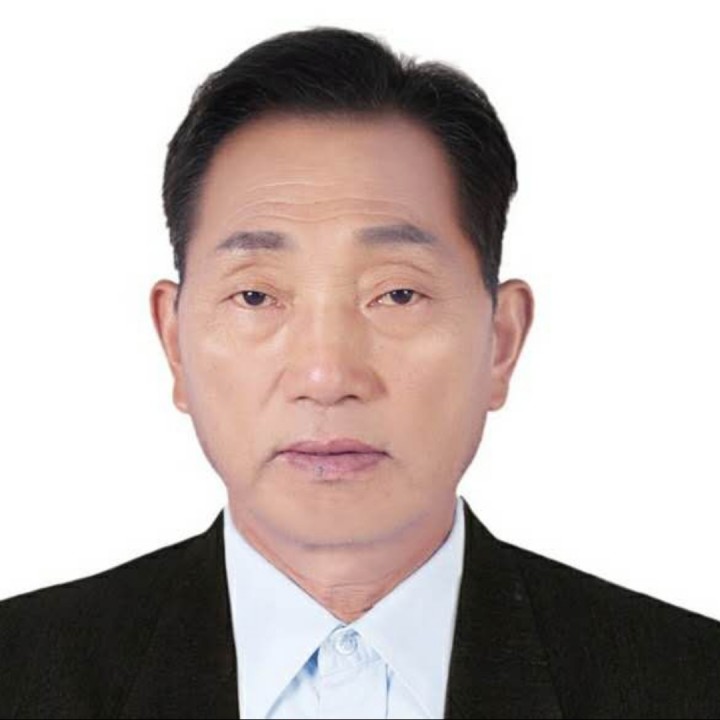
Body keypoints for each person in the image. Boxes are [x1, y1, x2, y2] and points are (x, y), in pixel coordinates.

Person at [1, 25, 718, 720]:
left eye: (397, 294)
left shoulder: (688, 683)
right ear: (175, 344)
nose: (325, 374)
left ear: (501, 341)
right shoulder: (22, 672)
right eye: (256, 296)